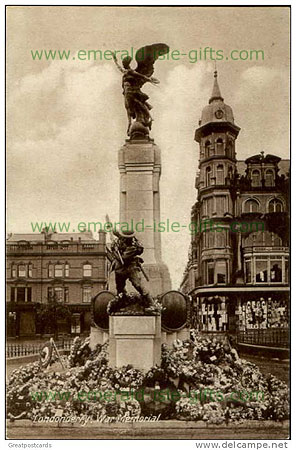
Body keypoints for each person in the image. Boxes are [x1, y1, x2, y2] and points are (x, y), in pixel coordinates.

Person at [110, 229, 153, 306]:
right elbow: (116, 233)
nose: (123, 239)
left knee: (139, 286)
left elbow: (122, 259)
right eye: (122, 237)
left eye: (125, 238)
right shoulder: (122, 239)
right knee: (120, 288)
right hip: (120, 269)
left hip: (131, 267)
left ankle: (152, 304)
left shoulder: (133, 247)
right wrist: (113, 230)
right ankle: (122, 303)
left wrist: (114, 251)